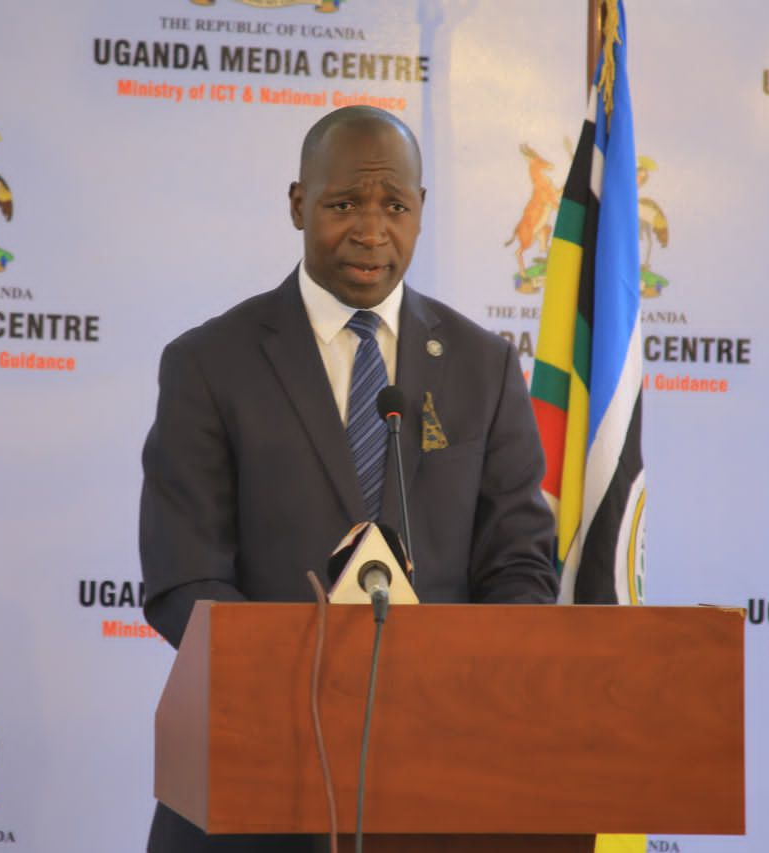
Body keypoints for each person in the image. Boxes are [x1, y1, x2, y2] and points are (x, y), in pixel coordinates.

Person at [139, 105, 557, 852]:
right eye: (342, 205)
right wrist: (311, 684)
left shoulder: (484, 367)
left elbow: (519, 564)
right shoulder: (208, 363)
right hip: (258, 782)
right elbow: (182, 579)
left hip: (441, 781)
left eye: (394, 205)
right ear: (299, 204)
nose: (371, 231)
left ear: (421, 211)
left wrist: (456, 680)